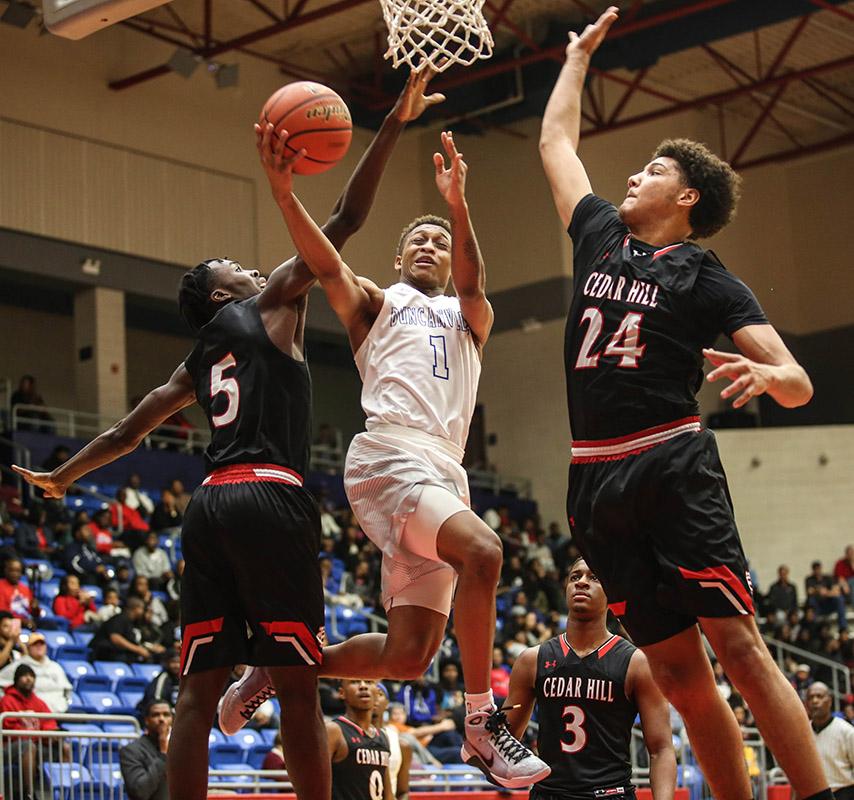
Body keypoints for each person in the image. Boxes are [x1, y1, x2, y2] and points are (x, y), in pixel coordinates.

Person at [14, 64, 446, 800]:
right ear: (223, 293)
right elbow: (341, 220)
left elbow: (126, 431)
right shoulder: (274, 302)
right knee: (300, 685)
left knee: (195, 693)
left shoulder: (194, 360)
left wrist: (63, 478)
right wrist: (395, 124)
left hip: (209, 504)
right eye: (237, 268)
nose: (254, 268)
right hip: (270, 498)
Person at [539, 7, 827, 800]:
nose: (631, 176)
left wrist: (772, 378)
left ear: (687, 194)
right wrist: (576, 60)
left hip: (670, 460)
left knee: (737, 645)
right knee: (675, 670)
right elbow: (556, 145)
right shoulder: (599, 234)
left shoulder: (702, 273)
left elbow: (799, 380)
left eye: (651, 170)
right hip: (593, 480)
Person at [222, 119, 549, 789]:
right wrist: (285, 192)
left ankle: (280, 666)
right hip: (389, 458)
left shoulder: (469, 319)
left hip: (444, 473)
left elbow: (477, 286)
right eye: (417, 241)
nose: (430, 245)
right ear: (400, 260)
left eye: (441, 240)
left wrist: (458, 206)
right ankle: (483, 724)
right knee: (484, 552)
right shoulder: (378, 302)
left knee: (406, 660)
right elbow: (323, 264)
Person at [504, 558, 676, 800]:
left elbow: (661, 749)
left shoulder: (637, 663)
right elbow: (503, 746)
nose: (582, 583)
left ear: (612, 592)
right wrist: (484, 735)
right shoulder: (532, 660)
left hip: (610, 793)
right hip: (549, 793)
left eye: (593, 577)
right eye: (575, 577)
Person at [0, 663, 64, 795]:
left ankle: (65, 792)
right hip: (9, 748)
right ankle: (29, 793)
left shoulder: (39, 702)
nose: (28, 679)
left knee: (65, 747)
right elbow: (9, 730)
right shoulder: (6, 701)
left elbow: (49, 724)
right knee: (29, 746)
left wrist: (53, 735)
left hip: (36, 743)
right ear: (17, 680)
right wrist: (38, 735)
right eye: (24, 676)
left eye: (31, 676)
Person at [328, 679, 393, 800]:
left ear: (377, 693)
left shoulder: (383, 737)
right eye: (355, 682)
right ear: (342, 693)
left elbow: (388, 795)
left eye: (369, 682)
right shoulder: (334, 731)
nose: (363, 686)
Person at [807, 682, 854, 800]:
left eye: (819, 696)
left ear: (830, 700)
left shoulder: (847, 731)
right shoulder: (802, 732)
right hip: (812, 795)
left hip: (843, 793)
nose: (815, 701)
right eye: (810, 697)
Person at [120, 699, 172, 800]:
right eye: (156, 715)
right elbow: (140, 791)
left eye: (166, 715)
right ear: (146, 720)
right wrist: (163, 754)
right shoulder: (131, 751)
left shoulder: (178, 750)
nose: (161, 719)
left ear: (172, 719)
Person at [374, 683, 412, 800]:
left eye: (379, 694)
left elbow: (403, 792)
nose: (374, 697)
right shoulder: (345, 734)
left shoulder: (401, 744)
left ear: (387, 704)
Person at [89, 596, 152, 663]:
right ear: (135, 608)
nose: (143, 612)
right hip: (104, 654)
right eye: (142, 608)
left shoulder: (134, 622)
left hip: (119, 654)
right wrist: (137, 649)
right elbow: (115, 638)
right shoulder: (120, 619)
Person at [806, 561, 848, 630]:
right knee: (811, 600)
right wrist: (819, 591)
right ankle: (813, 627)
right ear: (813, 570)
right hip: (818, 606)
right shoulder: (809, 579)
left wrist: (826, 592)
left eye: (818, 569)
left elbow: (836, 591)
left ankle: (843, 627)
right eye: (815, 569)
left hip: (828, 604)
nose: (817, 571)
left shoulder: (827, 578)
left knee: (840, 599)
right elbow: (809, 591)